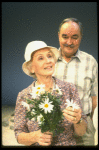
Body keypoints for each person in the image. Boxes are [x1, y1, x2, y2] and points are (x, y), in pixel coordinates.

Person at [14, 41, 87, 146]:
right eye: (41, 58)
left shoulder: (69, 88)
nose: (48, 61)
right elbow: (19, 134)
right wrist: (35, 136)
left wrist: (78, 120)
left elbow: (81, 132)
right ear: (31, 68)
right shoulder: (24, 96)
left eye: (49, 56)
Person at [54, 18, 98, 145]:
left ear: (81, 37)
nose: (69, 42)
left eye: (74, 37)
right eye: (65, 36)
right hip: (55, 127)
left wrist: (90, 121)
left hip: (84, 125)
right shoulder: (49, 61)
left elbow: (94, 97)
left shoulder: (91, 61)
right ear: (58, 36)